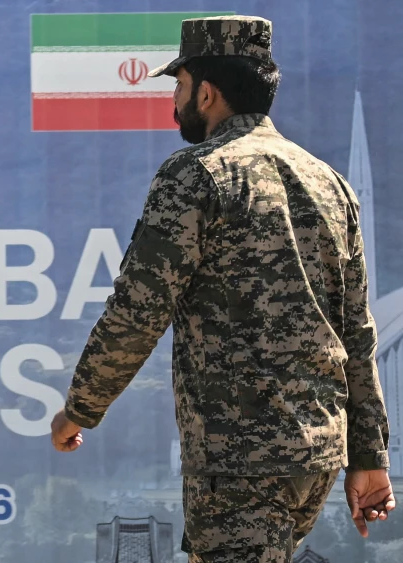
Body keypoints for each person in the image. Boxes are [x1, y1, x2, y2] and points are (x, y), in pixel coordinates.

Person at [48, 15, 396, 563]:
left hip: (239, 460)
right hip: (316, 457)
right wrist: (369, 456)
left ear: (207, 93)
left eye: (180, 85)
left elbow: (138, 311)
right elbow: (357, 331)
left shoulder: (196, 175)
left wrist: (80, 409)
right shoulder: (330, 183)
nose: (175, 101)